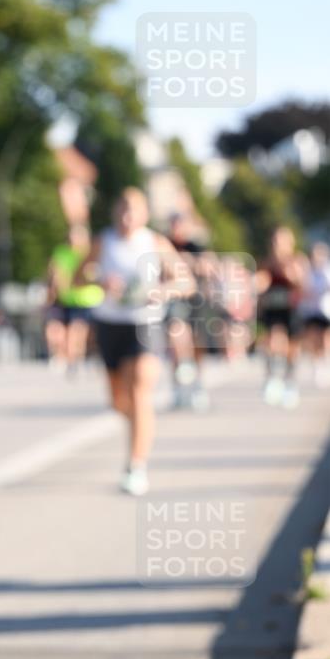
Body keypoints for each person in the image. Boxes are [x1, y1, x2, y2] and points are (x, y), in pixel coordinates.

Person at [78, 187, 193, 496]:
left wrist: (165, 290)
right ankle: (138, 426)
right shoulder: (104, 242)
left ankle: (136, 465)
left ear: (144, 214)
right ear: (115, 212)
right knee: (119, 401)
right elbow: (77, 277)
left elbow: (187, 282)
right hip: (110, 324)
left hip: (146, 324)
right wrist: (99, 280)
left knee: (141, 390)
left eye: (134, 210)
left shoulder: (155, 243)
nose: (127, 217)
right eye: (123, 210)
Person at [255, 226, 307, 408]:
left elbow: (303, 285)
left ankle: (290, 382)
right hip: (273, 309)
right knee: (275, 340)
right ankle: (272, 378)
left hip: (291, 309)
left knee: (291, 349)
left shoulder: (297, 261)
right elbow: (260, 283)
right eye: (275, 241)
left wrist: (292, 275)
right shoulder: (267, 262)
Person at [165, 212, 211, 410]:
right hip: (174, 298)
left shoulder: (195, 247)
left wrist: (191, 263)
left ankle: (198, 385)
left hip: (195, 299)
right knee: (175, 332)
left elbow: (208, 267)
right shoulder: (165, 244)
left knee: (197, 344)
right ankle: (177, 387)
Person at [44, 223, 103, 374]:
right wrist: (53, 289)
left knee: (83, 333)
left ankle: (80, 357)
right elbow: (53, 272)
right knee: (72, 331)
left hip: (90, 300)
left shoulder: (91, 252)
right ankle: (71, 359)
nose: (74, 238)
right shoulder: (62, 252)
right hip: (69, 300)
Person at [300, 241, 330, 386]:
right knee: (312, 338)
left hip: (325, 310)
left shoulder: (327, 271)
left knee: (324, 338)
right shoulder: (308, 272)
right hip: (311, 310)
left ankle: (325, 361)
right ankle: (316, 364)